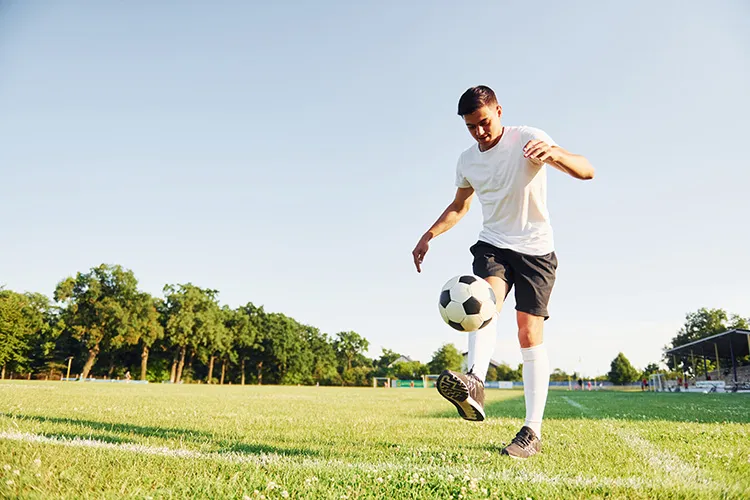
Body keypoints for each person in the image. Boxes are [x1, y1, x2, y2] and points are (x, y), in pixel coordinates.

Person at [411, 85, 594, 459]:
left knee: (528, 334)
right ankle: (475, 379)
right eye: (470, 127)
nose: (479, 132)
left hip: (536, 250)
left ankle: (532, 432)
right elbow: (460, 206)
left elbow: (586, 171)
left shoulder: (528, 138)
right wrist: (429, 234)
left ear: (498, 111)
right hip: (493, 243)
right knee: (484, 299)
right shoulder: (467, 161)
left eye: (484, 122)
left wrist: (554, 153)